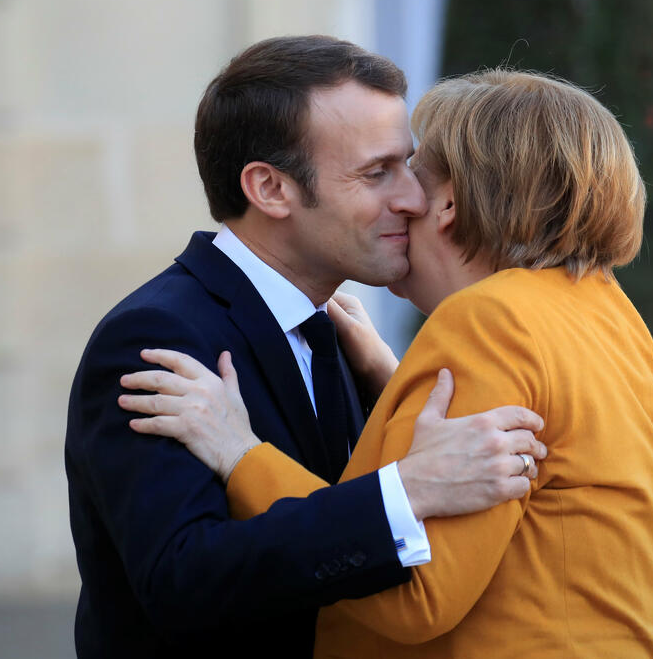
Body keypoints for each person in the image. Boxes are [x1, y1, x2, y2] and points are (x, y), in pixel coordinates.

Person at [121, 69, 653, 657]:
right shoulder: (610, 310)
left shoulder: (488, 321)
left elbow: (413, 596)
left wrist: (239, 454)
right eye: (378, 172)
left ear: (449, 201)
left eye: (411, 170)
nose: (402, 197)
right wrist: (398, 387)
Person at [65, 37, 547, 659]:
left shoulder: (338, 333)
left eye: (409, 164)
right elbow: (181, 583)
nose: (414, 198)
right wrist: (405, 491)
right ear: (270, 189)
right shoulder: (158, 336)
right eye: (377, 173)